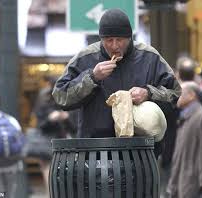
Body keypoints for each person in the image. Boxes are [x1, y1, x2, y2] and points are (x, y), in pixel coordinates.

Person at [52, 9, 181, 155]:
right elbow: (60, 96)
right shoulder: (85, 58)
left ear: (129, 37)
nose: (114, 46)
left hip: (140, 152)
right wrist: (92, 77)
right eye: (109, 40)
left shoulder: (149, 57)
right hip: (95, 151)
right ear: (101, 39)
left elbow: (175, 93)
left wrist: (148, 93)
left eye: (119, 40)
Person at [167, 81, 202, 198]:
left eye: (180, 93)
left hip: (194, 187)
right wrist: (173, 185)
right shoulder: (185, 117)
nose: (177, 96)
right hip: (182, 185)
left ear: (191, 95)